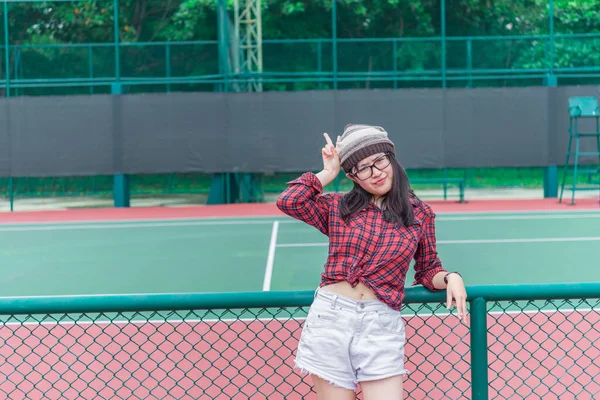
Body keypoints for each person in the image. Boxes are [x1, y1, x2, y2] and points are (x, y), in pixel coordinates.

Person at [276, 124, 468, 400]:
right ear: (353, 176)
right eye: (362, 168)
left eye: (379, 161)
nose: (376, 172)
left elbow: (428, 270)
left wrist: (452, 277)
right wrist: (329, 172)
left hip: (381, 323)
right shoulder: (337, 208)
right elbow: (290, 201)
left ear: (391, 159)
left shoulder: (419, 214)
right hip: (331, 318)